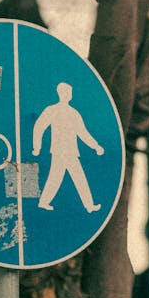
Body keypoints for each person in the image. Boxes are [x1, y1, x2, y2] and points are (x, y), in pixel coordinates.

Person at [32, 82, 104, 213]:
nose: (68, 95)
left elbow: (83, 133)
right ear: (61, 93)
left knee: (58, 177)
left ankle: (44, 202)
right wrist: (37, 147)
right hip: (61, 152)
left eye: (69, 93)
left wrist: (96, 146)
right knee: (75, 177)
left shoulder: (73, 113)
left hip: (70, 151)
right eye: (67, 92)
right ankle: (89, 206)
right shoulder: (52, 110)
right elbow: (39, 126)